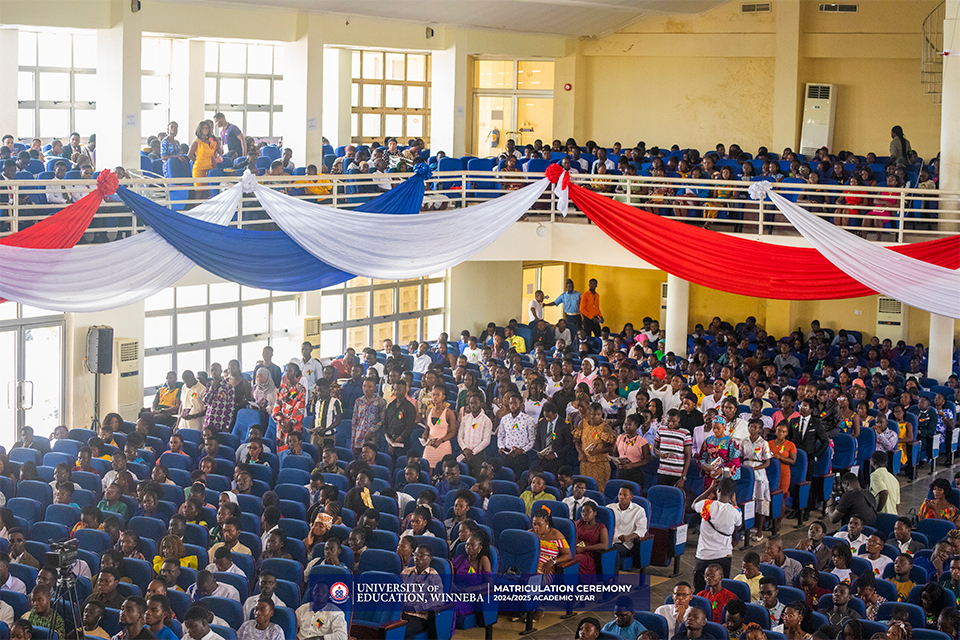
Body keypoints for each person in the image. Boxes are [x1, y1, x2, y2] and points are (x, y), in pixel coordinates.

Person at [693, 478, 741, 593]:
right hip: (724, 555)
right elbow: (738, 527)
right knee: (720, 590)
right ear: (732, 494)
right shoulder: (735, 512)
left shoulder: (707, 505)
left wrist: (710, 489)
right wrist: (734, 503)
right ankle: (715, 608)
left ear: (718, 490)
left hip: (704, 555)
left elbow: (694, 504)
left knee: (700, 590)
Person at [400, 544, 443, 638]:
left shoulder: (433, 576)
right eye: (415, 554)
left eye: (421, 555)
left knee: (399, 632)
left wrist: (416, 608)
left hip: (418, 618)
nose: (417, 558)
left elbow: (438, 600)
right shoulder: (406, 572)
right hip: (400, 614)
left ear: (430, 558)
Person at [573, 403, 617, 492]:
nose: (596, 417)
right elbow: (577, 442)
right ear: (589, 413)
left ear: (602, 414)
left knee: (599, 490)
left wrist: (598, 451)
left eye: (598, 415)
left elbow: (612, 448)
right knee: (585, 489)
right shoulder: (583, 424)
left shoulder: (605, 427)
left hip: (600, 464)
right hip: (585, 462)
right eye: (593, 414)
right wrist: (580, 453)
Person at [607, 485, 647, 571]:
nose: (621, 497)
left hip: (624, 545)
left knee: (613, 550)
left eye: (625, 495)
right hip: (608, 541)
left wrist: (629, 537)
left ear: (631, 497)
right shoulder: (610, 508)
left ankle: (613, 579)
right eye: (620, 494)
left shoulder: (639, 511)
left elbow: (642, 530)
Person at [655, 409, 692, 489]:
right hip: (663, 471)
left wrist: (683, 477)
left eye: (673, 421)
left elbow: (688, 455)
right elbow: (654, 449)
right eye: (668, 421)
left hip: (677, 473)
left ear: (678, 419)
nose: (670, 424)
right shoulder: (660, 430)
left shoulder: (685, 433)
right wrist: (660, 454)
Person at [188, 120, 219, 199]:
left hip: (209, 169)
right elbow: (189, 155)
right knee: (199, 192)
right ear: (200, 130)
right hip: (199, 169)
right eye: (203, 128)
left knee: (207, 192)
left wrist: (215, 168)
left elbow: (212, 156)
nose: (205, 130)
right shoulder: (196, 142)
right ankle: (197, 209)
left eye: (207, 128)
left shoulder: (211, 142)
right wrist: (196, 162)